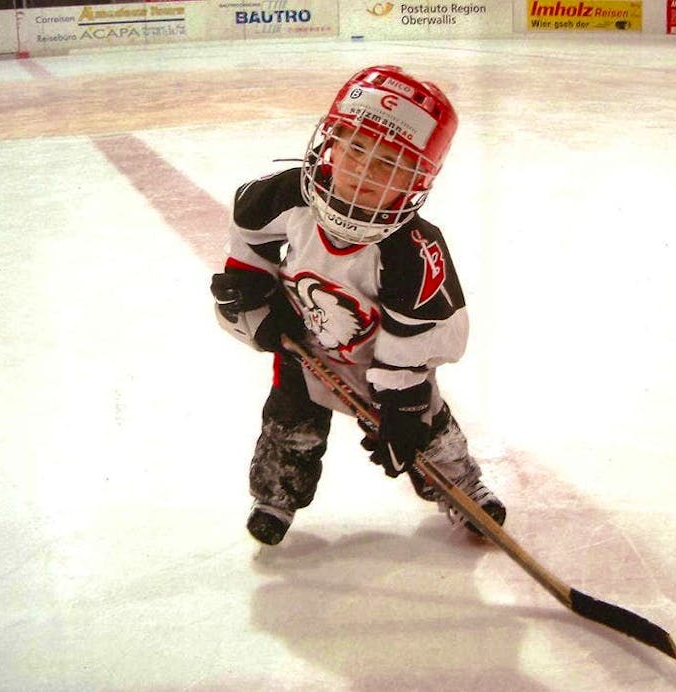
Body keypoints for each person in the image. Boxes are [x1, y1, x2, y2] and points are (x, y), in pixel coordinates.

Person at [210, 65, 506, 546]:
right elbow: (248, 239)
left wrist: (401, 402)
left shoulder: (413, 251)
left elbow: (419, 333)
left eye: (388, 163)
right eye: (356, 149)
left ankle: (463, 488)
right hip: (306, 342)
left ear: (418, 177)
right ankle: (275, 497)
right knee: (289, 424)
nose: (364, 172)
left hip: (382, 363)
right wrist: (254, 297)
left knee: (425, 430)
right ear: (331, 141)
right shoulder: (287, 195)